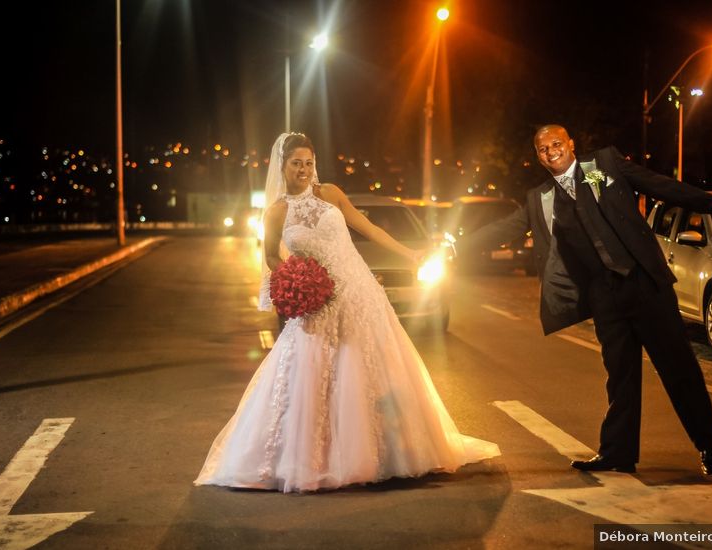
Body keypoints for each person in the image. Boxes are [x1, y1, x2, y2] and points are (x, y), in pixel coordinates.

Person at [194, 132, 500, 493]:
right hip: (316, 300)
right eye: (297, 163)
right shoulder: (277, 211)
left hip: (357, 290)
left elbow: (367, 227)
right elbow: (272, 257)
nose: (304, 169)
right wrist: (293, 279)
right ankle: (318, 457)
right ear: (283, 166)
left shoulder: (332, 194)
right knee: (315, 374)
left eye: (309, 162)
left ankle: (388, 450)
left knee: (370, 367)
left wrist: (410, 253)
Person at [461, 124, 712, 476]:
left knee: (678, 368)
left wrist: (711, 203)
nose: (551, 152)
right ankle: (618, 453)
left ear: (571, 144)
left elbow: (658, 184)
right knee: (620, 375)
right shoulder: (540, 198)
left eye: (556, 144)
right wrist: (457, 246)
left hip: (644, 284)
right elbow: (505, 228)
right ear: (538, 156)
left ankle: (708, 446)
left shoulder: (604, 164)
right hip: (603, 295)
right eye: (543, 149)